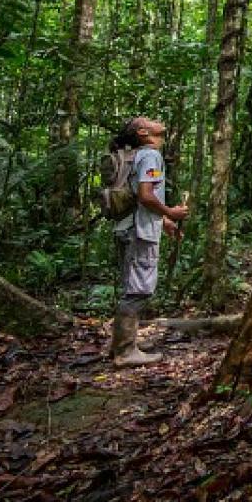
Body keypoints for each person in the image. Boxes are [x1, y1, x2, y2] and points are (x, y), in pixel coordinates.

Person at [110, 117, 188, 366]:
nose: (158, 121)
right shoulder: (151, 156)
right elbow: (145, 195)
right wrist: (170, 213)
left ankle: (126, 342)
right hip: (139, 233)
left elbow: (137, 196)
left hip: (129, 227)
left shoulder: (136, 155)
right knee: (139, 289)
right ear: (143, 132)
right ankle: (124, 352)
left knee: (132, 286)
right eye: (150, 120)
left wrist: (164, 222)